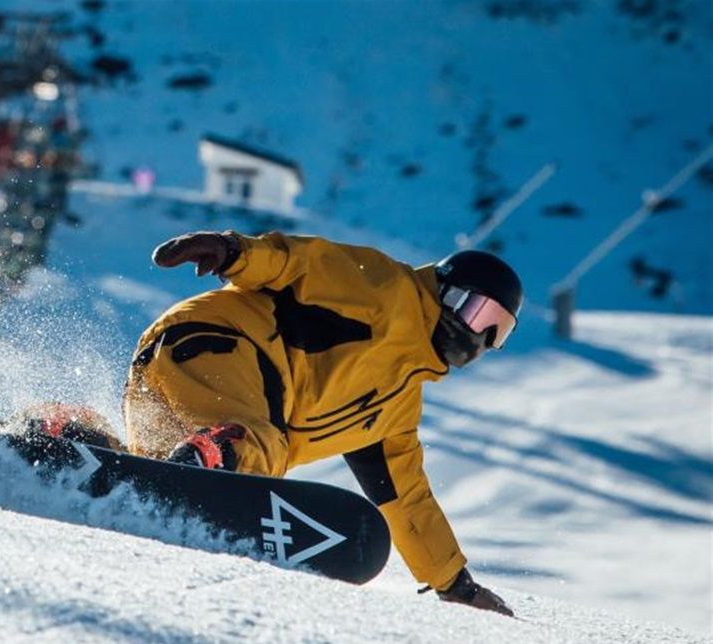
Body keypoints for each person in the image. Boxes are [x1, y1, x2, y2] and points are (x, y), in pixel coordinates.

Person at [125, 229, 520, 616]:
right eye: (480, 314)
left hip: (167, 356)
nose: (483, 337)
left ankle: (90, 443)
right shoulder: (386, 289)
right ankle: (210, 456)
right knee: (259, 446)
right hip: (225, 340)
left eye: (499, 331)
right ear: (449, 294)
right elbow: (297, 263)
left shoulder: (396, 410)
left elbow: (408, 501)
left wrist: (456, 585)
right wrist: (232, 251)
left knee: (153, 469)